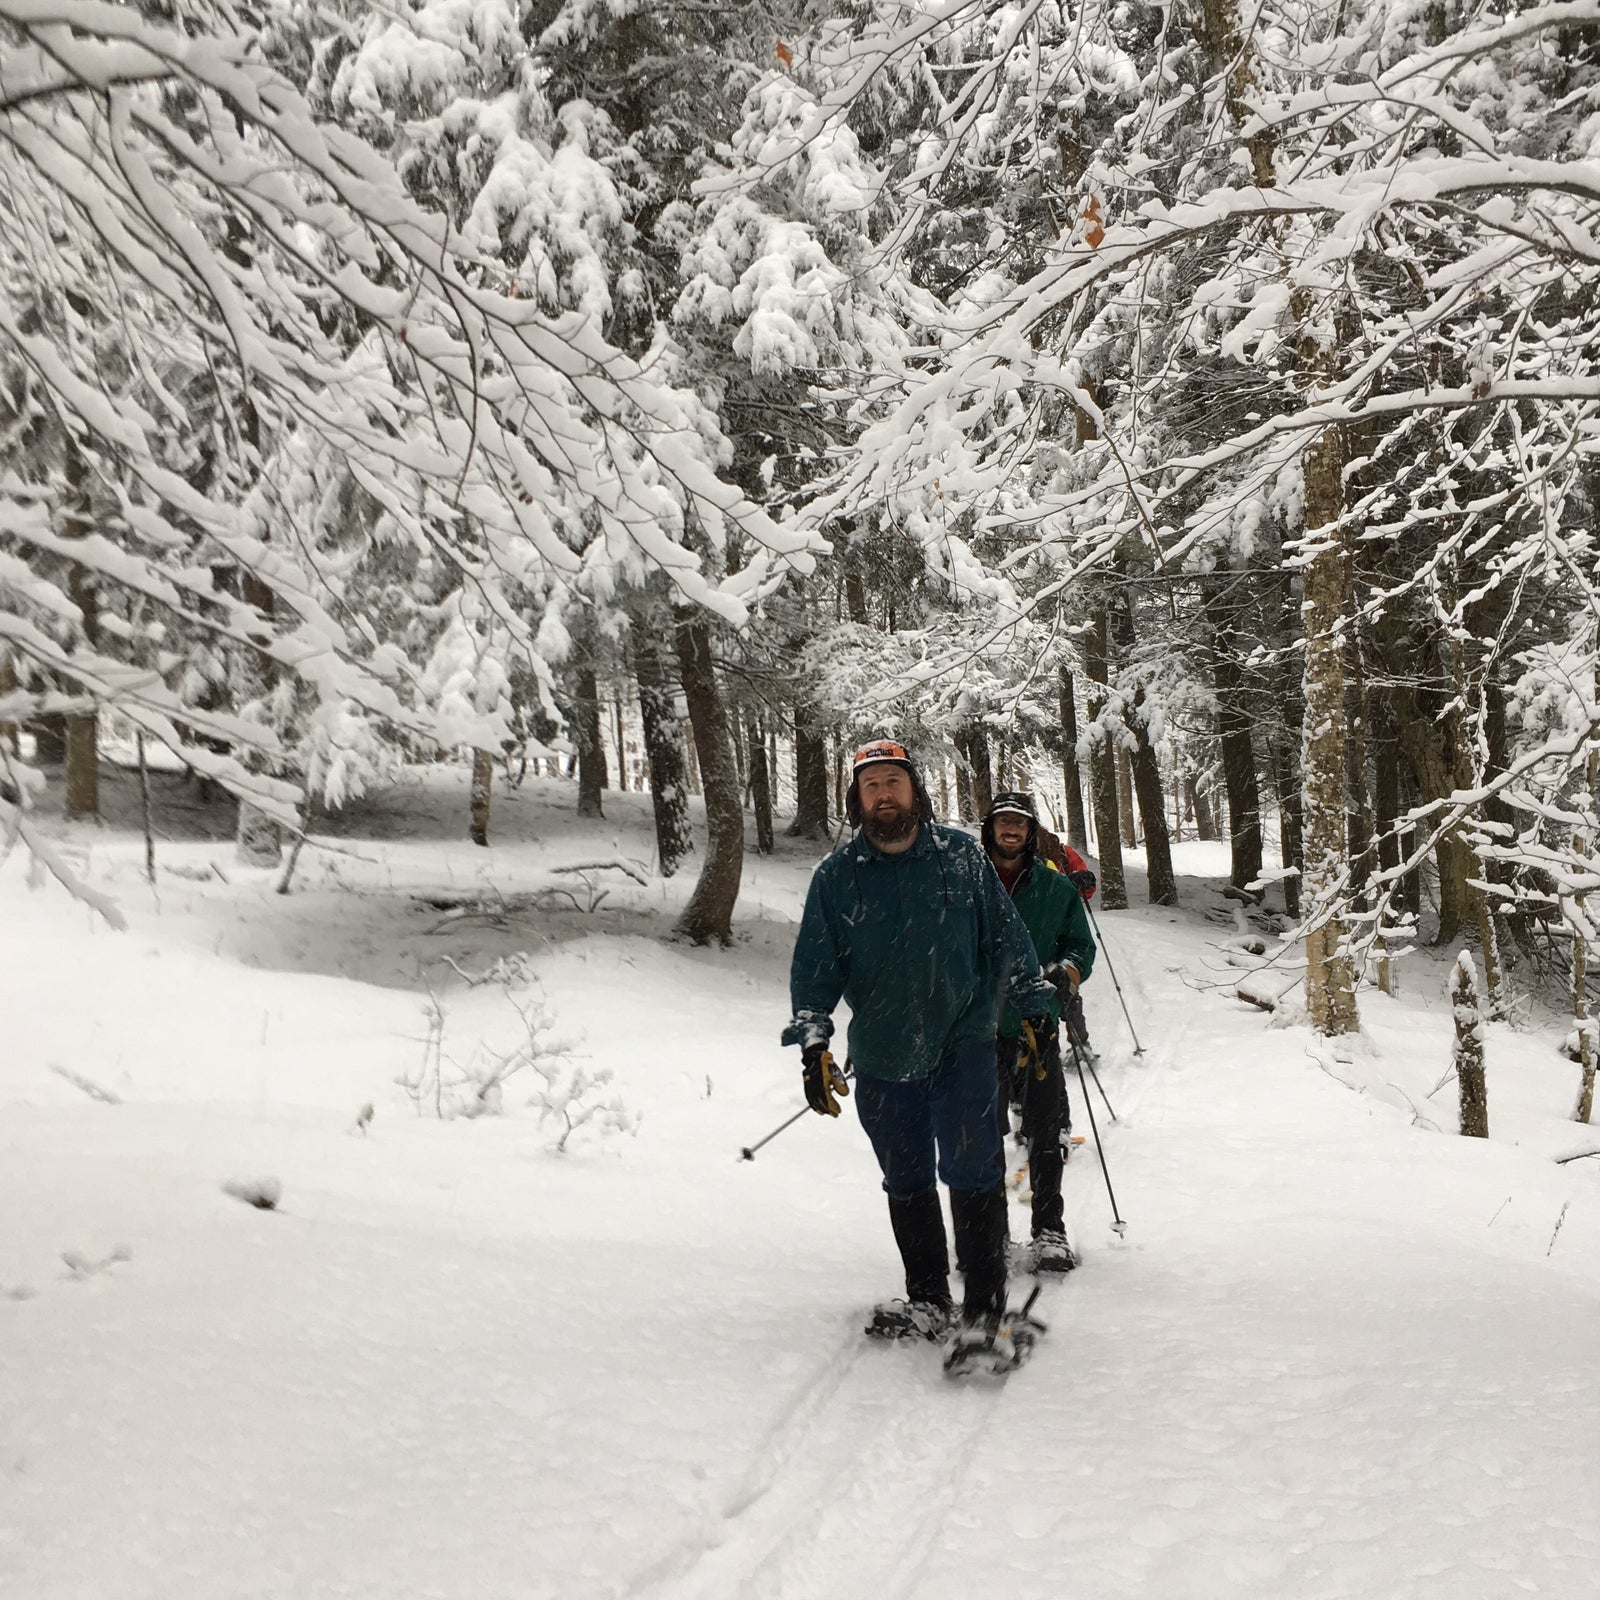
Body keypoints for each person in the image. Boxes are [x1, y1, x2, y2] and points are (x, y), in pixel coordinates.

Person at [784, 738, 1060, 1370]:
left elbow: (1008, 938)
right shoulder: (836, 878)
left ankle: (986, 1308)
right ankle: (929, 1299)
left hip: (962, 1041)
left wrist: (1037, 1011)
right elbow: (815, 971)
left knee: (972, 1168)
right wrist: (814, 1045)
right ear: (857, 798)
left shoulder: (962, 857)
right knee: (905, 1177)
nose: (884, 794)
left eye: (894, 782)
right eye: (872, 785)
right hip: (882, 1055)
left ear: (915, 789)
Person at [982, 792, 1096, 1273]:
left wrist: (1062, 974)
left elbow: (1079, 948)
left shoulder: (1055, 889)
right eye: (1003, 822)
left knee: (1045, 1131)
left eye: (1020, 824)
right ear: (991, 828)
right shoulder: (967, 883)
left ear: (1031, 832)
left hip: (1038, 1025)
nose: (1011, 830)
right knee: (982, 1136)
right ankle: (989, 1234)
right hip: (977, 1030)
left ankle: (1050, 1229)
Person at [1034, 824, 1099, 1053]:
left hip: (1060, 929)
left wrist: (1082, 880)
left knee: (1064, 985)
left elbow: (1088, 889)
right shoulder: (1000, 853)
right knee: (1065, 992)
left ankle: (1075, 1045)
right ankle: (1077, 1045)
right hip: (1046, 930)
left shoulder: (1062, 852)